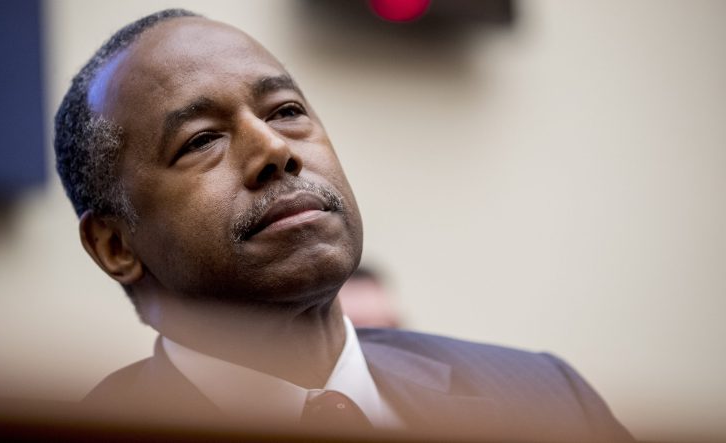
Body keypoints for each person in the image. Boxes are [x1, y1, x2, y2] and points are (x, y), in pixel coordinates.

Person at [54, 9, 633, 442]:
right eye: (202, 140)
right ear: (114, 245)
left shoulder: (548, 401)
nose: (275, 149)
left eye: (286, 111)